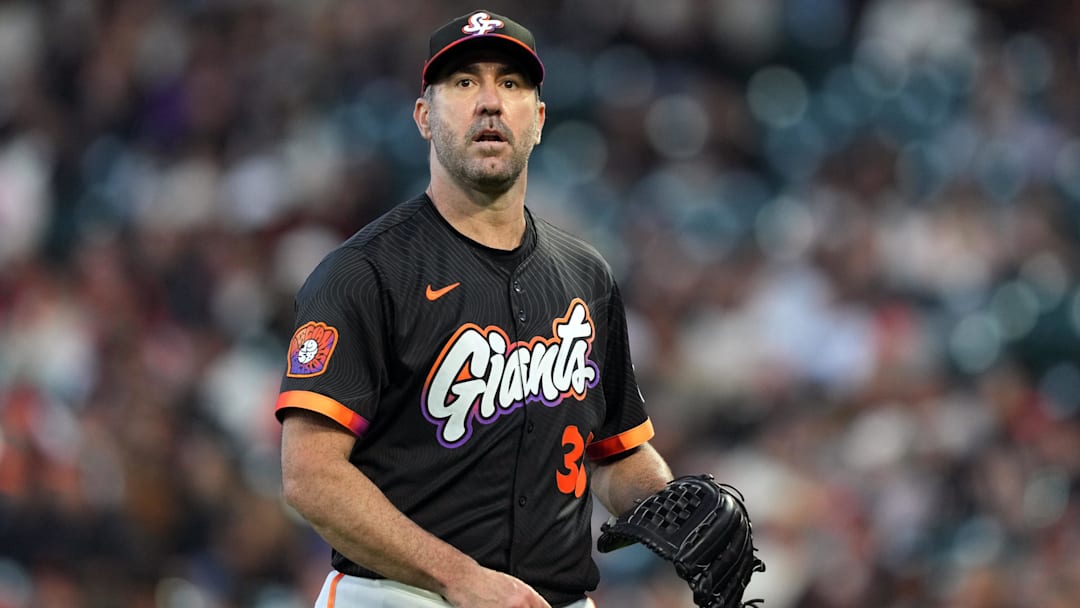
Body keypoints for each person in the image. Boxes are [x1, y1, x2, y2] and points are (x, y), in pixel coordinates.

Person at [275, 9, 674, 608]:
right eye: (464, 83)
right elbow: (311, 476)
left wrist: (676, 508)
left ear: (538, 120)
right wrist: (458, 578)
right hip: (400, 597)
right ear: (424, 118)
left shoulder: (586, 275)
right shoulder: (363, 273)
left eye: (510, 84)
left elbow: (614, 457)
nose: (490, 102)